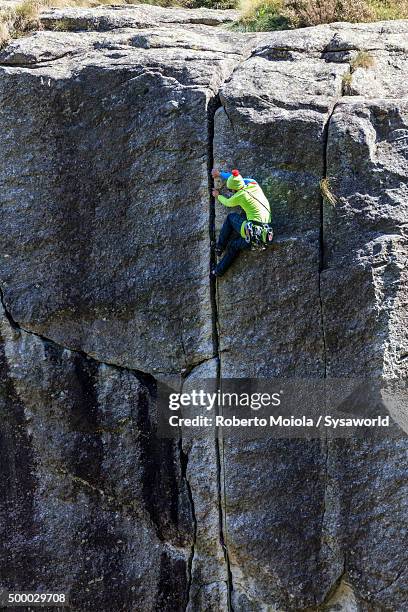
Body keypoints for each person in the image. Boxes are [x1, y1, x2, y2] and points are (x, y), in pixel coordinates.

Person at [211, 168, 271, 277]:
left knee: (231, 219)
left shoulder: (240, 196)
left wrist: (217, 195)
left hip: (252, 231)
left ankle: (219, 248)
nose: (231, 192)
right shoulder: (253, 183)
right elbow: (236, 178)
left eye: (231, 190)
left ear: (235, 190)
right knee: (235, 243)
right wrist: (220, 174)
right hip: (265, 232)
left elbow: (227, 202)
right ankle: (218, 270)